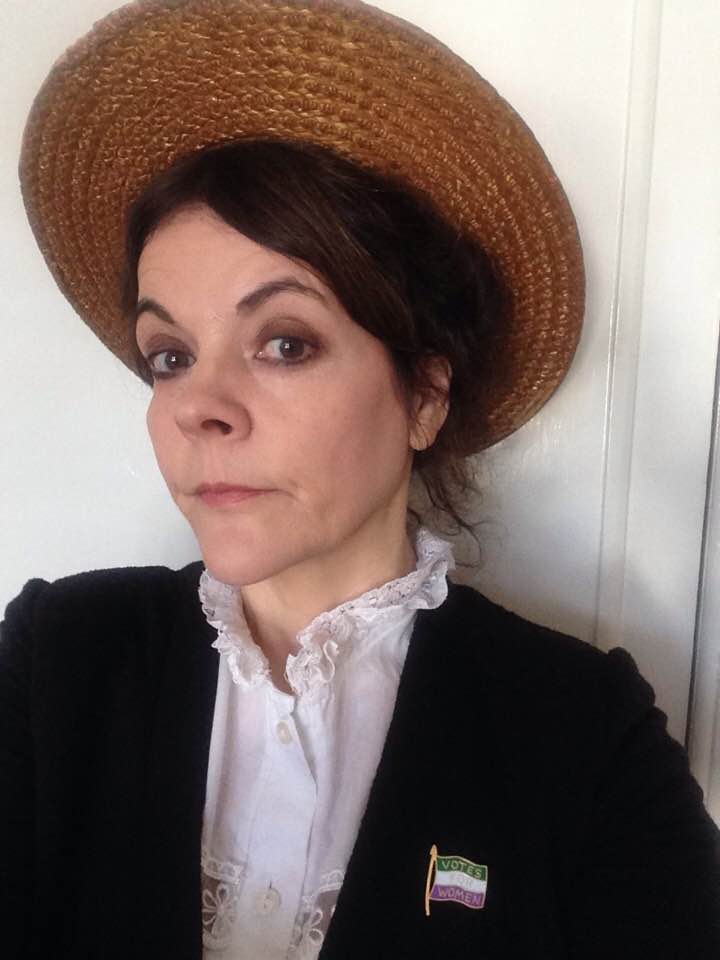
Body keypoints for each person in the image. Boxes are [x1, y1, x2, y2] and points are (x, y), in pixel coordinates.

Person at [3, 1, 719, 958]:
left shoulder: (582, 735)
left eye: (283, 342)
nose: (197, 407)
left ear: (423, 396)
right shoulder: (59, 661)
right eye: (168, 354)